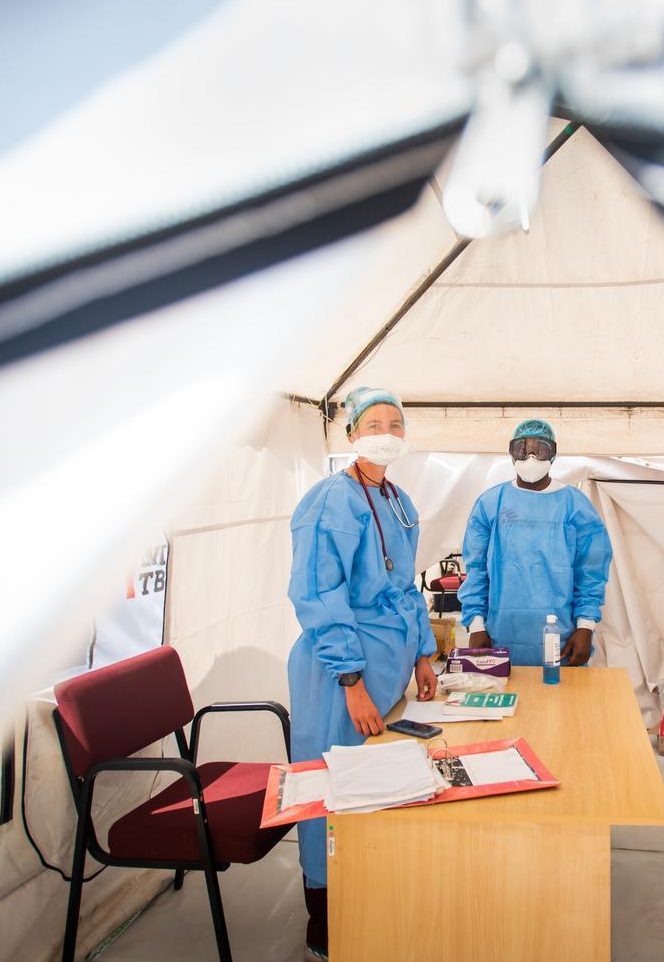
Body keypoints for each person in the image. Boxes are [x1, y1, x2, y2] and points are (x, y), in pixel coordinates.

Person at [285, 386, 437, 960]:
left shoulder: (397, 500)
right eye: (375, 423)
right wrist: (351, 681)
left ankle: (370, 906)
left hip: (387, 666)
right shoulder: (330, 501)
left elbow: (406, 585)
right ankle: (324, 926)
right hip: (336, 673)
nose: (388, 432)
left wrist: (422, 654)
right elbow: (318, 594)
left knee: (373, 789)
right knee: (332, 790)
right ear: (351, 434)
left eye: (397, 424)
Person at [458, 419, 613, 667]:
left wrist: (585, 626)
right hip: (499, 637)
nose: (530, 457)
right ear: (511, 454)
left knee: (559, 704)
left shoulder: (576, 508)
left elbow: (591, 573)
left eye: (540, 449)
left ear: (552, 454)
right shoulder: (491, 504)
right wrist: (476, 625)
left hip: (562, 641)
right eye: (522, 448)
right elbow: (476, 571)